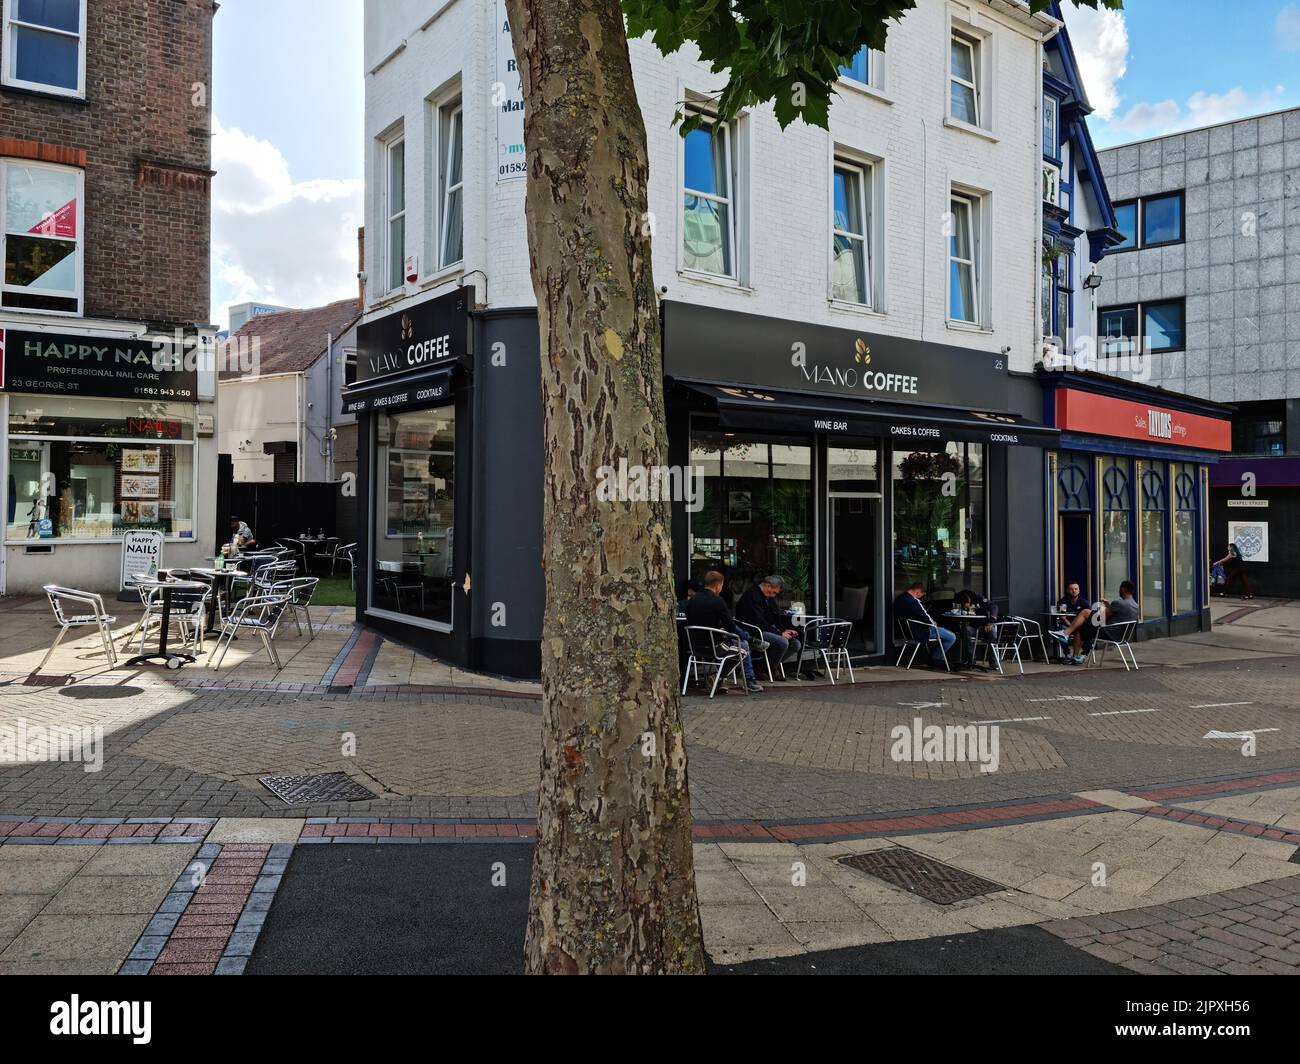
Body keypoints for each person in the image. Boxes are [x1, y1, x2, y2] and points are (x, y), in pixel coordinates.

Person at [683, 571, 763, 693]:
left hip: (694, 647)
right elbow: (730, 626)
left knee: (732, 641)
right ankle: (721, 677)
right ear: (718, 586)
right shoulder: (718, 601)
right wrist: (723, 630)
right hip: (715, 647)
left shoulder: (691, 601)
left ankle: (720, 681)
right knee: (744, 647)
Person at [736, 574, 814, 680]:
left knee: (796, 644)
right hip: (753, 631)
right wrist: (780, 634)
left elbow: (775, 617)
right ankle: (771, 668)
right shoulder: (752, 596)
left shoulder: (768, 598)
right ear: (768, 586)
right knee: (783, 642)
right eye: (773, 592)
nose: (773, 596)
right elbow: (759, 622)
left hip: (765, 629)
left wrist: (784, 630)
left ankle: (763, 666)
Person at [893, 582, 956, 667]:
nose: (920, 598)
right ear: (917, 592)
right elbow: (926, 616)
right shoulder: (914, 602)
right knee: (951, 637)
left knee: (943, 632)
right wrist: (933, 623)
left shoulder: (900, 598)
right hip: (920, 632)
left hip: (907, 632)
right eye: (920, 596)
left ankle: (935, 658)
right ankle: (936, 659)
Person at [1049, 581, 1096, 664]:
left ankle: (1083, 655)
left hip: (1081, 627)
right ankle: (1067, 653)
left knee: (1087, 632)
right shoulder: (1063, 602)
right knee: (1060, 630)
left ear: (1079, 590)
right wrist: (1072, 626)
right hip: (1067, 625)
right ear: (1067, 590)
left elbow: (1089, 618)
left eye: (1075, 589)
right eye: (1071, 589)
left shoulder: (1084, 603)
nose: (1073, 591)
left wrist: (1076, 627)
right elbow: (1063, 618)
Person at [952, 588, 998, 664]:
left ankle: (994, 662)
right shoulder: (958, 601)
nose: (968, 606)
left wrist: (991, 621)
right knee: (965, 630)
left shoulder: (978, 598)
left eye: (969, 603)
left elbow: (994, 606)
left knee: (992, 632)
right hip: (971, 627)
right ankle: (971, 659)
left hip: (983, 626)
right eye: (966, 605)